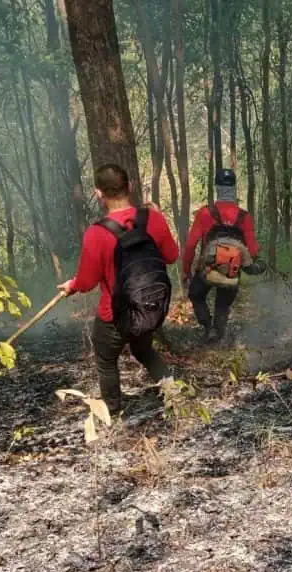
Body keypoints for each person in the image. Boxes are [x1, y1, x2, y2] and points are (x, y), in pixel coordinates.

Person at [59, 164, 179, 417]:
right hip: (149, 309)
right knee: (145, 350)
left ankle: (113, 413)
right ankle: (176, 396)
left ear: (99, 194)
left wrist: (73, 285)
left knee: (106, 360)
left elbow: (87, 282)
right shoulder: (153, 219)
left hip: (113, 315)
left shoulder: (96, 233)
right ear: (130, 187)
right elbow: (172, 255)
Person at [181, 168, 265, 345]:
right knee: (223, 304)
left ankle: (207, 327)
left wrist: (186, 271)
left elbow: (190, 245)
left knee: (196, 294)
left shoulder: (205, 213)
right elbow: (253, 250)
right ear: (234, 189)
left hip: (206, 269)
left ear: (216, 188)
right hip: (232, 272)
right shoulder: (244, 217)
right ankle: (217, 337)